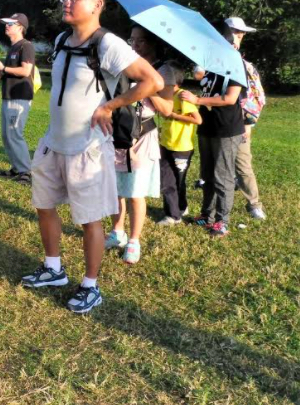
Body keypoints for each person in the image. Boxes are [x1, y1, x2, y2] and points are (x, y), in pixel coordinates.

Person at [21, 0, 163, 313]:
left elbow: (152, 81)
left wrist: (109, 107)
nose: (66, 2)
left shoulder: (108, 44)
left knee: (90, 220)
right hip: (53, 143)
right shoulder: (60, 39)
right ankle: (53, 268)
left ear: (97, 5)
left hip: (87, 147)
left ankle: (90, 285)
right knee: (44, 205)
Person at [104, 26, 172, 263]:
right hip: (117, 132)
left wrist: (147, 85)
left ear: (153, 43)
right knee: (114, 188)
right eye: (132, 40)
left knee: (135, 191)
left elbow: (166, 110)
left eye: (141, 41)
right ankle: (117, 232)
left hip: (142, 136)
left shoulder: (164, 71)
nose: (135, 45)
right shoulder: (125, 64)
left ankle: (134, 240)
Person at [180, 26, 245, 237]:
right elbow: (203, 81)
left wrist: (197, 100)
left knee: (222, 175)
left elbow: (230, 98)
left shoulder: (236, 67)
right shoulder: (211, 68)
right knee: (206, 174)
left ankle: (221, 221)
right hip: (207, 126)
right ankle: (206, 215)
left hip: (226, 128)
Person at [226, 16, 267, 220]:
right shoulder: (211, 63)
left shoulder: (245, 67)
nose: (235, 37)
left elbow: (255, 99)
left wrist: (248, 124)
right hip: (217, 123)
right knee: (217, 166)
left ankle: (254, 204)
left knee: (243, 164)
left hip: (239, 123)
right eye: (231, 32)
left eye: (239, 34)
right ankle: (215, 208)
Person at [157, 62, 202, 226]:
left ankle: (175, 213)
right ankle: (176, 211)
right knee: (168, 180)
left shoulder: (182, 96)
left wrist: (173, 115)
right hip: (166, 144)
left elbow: (198, 119)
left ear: (172, 82)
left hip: (181, 148)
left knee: (176, 182)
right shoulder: (166, 98)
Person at [0, 13, 36, 184]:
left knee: (14, 134)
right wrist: (0, 71)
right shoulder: (12, 47)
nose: (7, 26)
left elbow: (25, 71)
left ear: (20, 27)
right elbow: (5, 74)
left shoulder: (26, 46)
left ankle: (26, 171)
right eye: (6, 24)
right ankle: (16, 168)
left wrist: (4, 69)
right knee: (6, 135)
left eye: (11, 24)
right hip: (8, 95)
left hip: (20, 97)